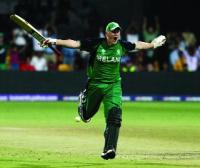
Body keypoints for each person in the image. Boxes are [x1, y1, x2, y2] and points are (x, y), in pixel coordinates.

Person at [41, 21, 166, 160]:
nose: (116, 33)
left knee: (115, 116)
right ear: (106, 33)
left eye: (118, 31)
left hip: (113, 85)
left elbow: (138, 45)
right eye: (113, 31)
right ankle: (83, 102)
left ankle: (109, 148)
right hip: (95, 85)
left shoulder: (122, 45)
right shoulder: (96, 44)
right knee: (86, 116)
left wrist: (153, 44)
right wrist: (53, 41)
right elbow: (74, 43)